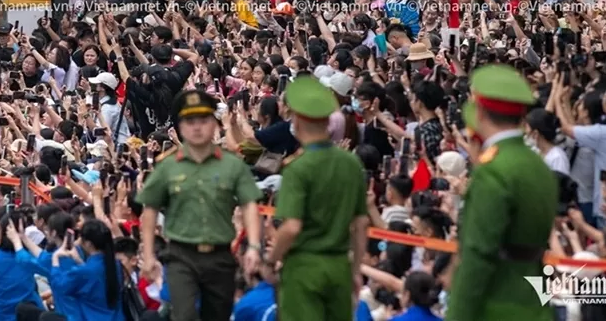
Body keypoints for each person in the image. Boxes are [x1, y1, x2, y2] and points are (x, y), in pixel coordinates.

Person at [137, 90, 264, 321]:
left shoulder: (232, 165)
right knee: (184, 315)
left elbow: (249, 205)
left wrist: (254, 245)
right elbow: (150, 210)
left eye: (203, 120)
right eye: (190, 121)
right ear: (181, 127)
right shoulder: (166, 166)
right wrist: (147, 255)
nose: (197, 127)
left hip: (220, 255)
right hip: (181, 256)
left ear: (214, 124)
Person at [445, 64, 557, 321]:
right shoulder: (538, 164)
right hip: (535, 300)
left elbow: (477, 255)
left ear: (481, 113)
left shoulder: (492, 170)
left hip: (495, 304)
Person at [267, 76, 369, 321]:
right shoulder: (351, 163)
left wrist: (271, 260)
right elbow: (361, 224)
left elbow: (291, 227)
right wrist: (355, 271)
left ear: (297, 120)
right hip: (339, 268)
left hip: (304, 270)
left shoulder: (297, 168)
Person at [49, 218, 125, 321]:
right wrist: (79, 261)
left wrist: (55, 259)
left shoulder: (83, 272)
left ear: (88, 244)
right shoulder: (116, 265)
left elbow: (59, 286)